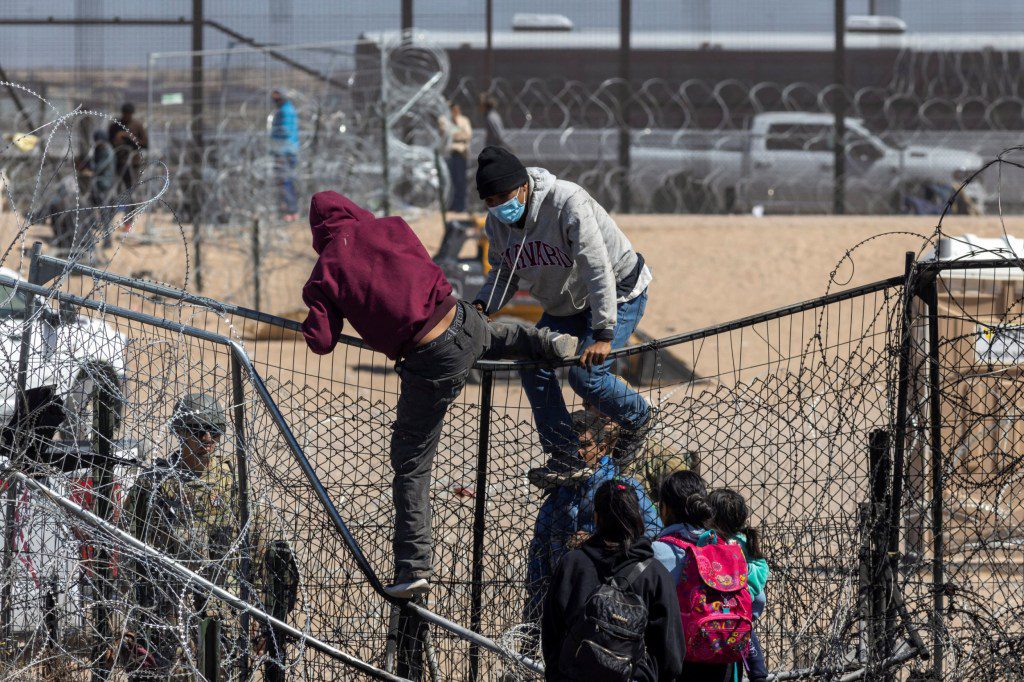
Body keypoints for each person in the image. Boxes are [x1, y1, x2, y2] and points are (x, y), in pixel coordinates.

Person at [299, 190, 578, 599]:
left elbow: (322, 341)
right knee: (496, 338)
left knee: (410, 462)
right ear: (354, 209)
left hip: (428, 357)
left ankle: (413, 567)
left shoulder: (326, 271)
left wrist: (318, 308)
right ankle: (547, 343)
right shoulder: (390, 225)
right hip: (460, 317)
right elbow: (423, 269)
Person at [471, 146, 655, 489]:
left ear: (524, 186)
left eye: (504, 196)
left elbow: (597, 268)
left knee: (586, 378)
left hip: (618, 292)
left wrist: (602, 334)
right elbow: (503, 272)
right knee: (532, 363)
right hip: (566, 303)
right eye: (490, 200)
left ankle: (638, 417)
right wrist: (481, 307)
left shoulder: (567, 202)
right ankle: (565, 454)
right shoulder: (497, 224)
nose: (498, 205)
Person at [124, 394, 285, 680]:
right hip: (169, 609)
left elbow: (259, 549)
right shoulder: (156, 483)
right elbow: (128, 551)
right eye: (198, 430)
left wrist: (263, 617)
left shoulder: (235, 483)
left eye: (216, 431)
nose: (208, 438)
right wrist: (129, 618)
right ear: (180, 432)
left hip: (223, 607)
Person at [524, 410, 661, 627]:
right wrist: (535, 606)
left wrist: (599, 540)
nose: (577, 452)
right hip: (564, 598)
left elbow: (654, 532)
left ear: (602, 448)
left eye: (585, 445)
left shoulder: (624, 488)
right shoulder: (560, 491)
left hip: (610, 599)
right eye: (572, 446)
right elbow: (540, 547)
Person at [542, 479, 684, 682]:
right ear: (638, 519)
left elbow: (551, 636)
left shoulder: (571, 564)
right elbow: (671, 658)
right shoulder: (656, 575)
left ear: (597, 517)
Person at [707, 489, 770, 682]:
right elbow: (759, 572)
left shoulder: (712, 542)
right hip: (743, 609)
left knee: (742, 635)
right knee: (746, 633)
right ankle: (758, 673)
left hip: (722, 607)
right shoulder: (745, 541)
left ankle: (758, 672)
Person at [108, 102, 147, 224]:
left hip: (133, 165)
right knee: (113, 192)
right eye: (125, 114)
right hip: (118, 163)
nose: (127, 117)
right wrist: (117, 138)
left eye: (129, 114)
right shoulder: (115, 126)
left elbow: (145, 144)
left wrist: (130, 138)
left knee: (131, 194)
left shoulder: (137, 126)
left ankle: (128, 222)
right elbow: (109, 144)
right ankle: (108, 220)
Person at [270, 89, 300, 221]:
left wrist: (273, 142)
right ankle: (288, 210)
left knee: (285, 181)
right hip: (288, 150)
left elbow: (284, 131)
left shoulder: (284, 111)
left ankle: (290, 210)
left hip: (284, 151)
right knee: (286, 181)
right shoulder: (288, 109)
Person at [440, 102, 473, 213]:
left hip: (461, 153)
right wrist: (458, 134)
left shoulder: (464, 120)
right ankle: (451, 205)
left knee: (460, 180)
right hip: (449, 153)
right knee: (450, 181)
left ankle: (461, 206)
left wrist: (454, 135)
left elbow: (467, 135)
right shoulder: (444, 120)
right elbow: (444, 134)